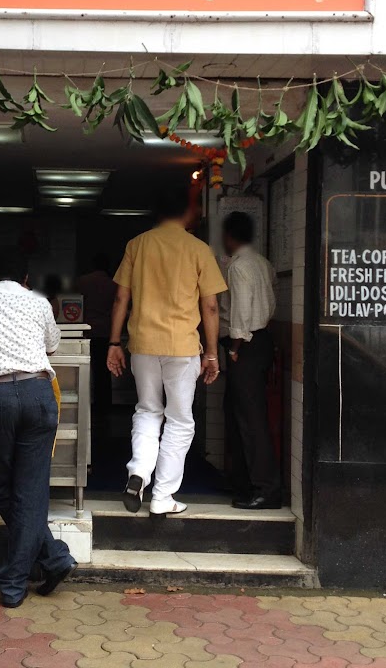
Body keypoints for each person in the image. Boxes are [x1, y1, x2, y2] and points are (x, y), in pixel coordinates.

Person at [0, 250, 76, 608]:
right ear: (26, 279)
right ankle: (52, 556)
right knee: (30, 491)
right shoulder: (39, 301)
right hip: (38, 393)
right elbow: (52, 345)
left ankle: (14, 579)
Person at [107, 186, 228, 517]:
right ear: (187, 213)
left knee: (147, 411)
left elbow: (121, 299)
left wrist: (114, 343)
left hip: (142, 345)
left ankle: (138, 473)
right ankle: (162, 495)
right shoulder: (198, 249)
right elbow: (211, 307)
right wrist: (212, 353)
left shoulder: (137, 245)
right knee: (180, 420)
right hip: (182, 346)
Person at [219, 211, 280, 510]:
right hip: (263, 340)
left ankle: (265, 489)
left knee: (250, 419)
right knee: (239, 414)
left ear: (229, 236)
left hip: (246, 345)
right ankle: (244, 483)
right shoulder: (263, 262)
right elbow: (271, 301)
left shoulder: (238, 266)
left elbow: (241, 312)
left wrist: (234, 349)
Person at [77, 253, 117, 413]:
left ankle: (87, 404)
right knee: (103, 371)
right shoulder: (114, 284)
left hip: (87, 331)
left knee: (86, 369)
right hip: (107, 331)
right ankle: (105, 405)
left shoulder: (83, 281)